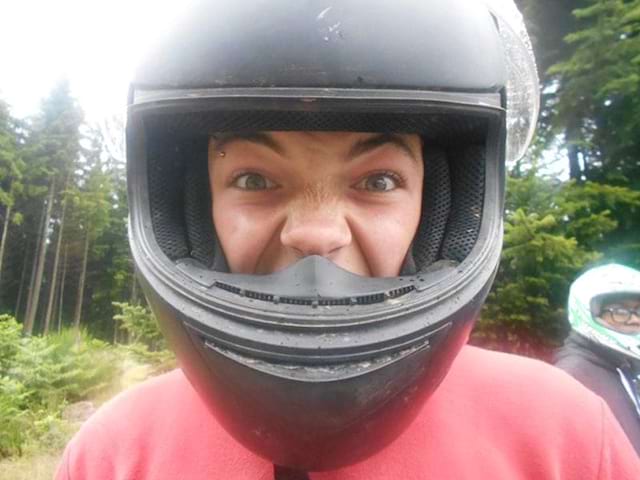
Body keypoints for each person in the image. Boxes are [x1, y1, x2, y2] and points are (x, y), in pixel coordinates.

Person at [56, 0, 640, 478]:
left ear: (440, 208)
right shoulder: (114, 457)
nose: (315, 235)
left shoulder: (563, 439)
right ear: (195, 205)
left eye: (378, 181)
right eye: (254, 179)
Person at [555, 264, 640, 455]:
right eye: (620, 312)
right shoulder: (573, 377)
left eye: (638, 310)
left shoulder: (620, 366)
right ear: (589, 312)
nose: (635, 320)